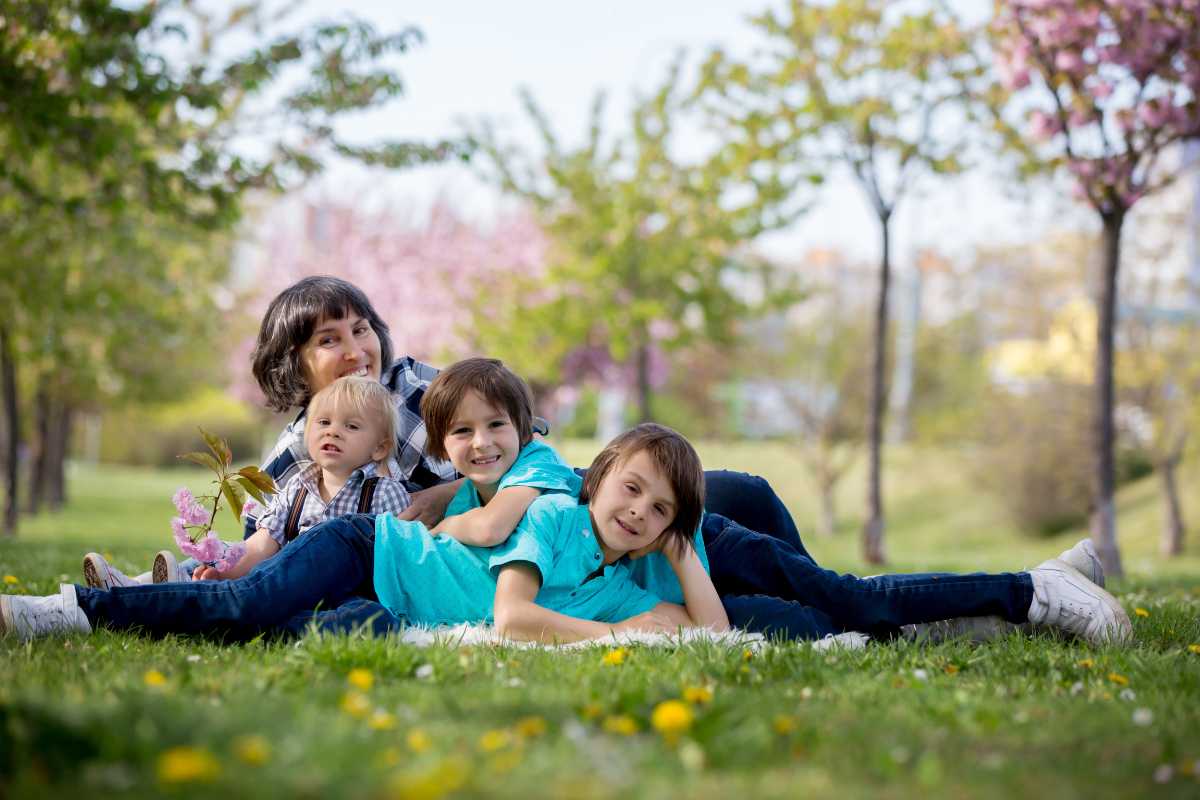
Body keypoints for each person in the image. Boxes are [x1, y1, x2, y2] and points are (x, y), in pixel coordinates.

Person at [2, 419, 729, 643]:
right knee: (244, 607)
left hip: (389, 604)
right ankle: (69, 609)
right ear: (598, 479)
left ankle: (136, 599)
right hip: (368, 548)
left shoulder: (628, 574)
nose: (638, 512)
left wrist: (680, 554)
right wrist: (626, 634)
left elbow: (718, 634)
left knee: (297, 632)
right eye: (632, 490)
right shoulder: (553, 516)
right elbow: (511, 618)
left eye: (660, 511)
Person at [83, 377, 413, 589]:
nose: (333, 431)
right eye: (323, 423)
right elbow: (260, 547)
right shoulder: (296, 489)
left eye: (351, 426)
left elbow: (400, 562)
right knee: (221, 565)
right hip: (278, 584)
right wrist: (224, 570)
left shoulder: (385, 494)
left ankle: (162, 592)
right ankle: (138, 588)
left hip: (340, 594)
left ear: (380, 446)